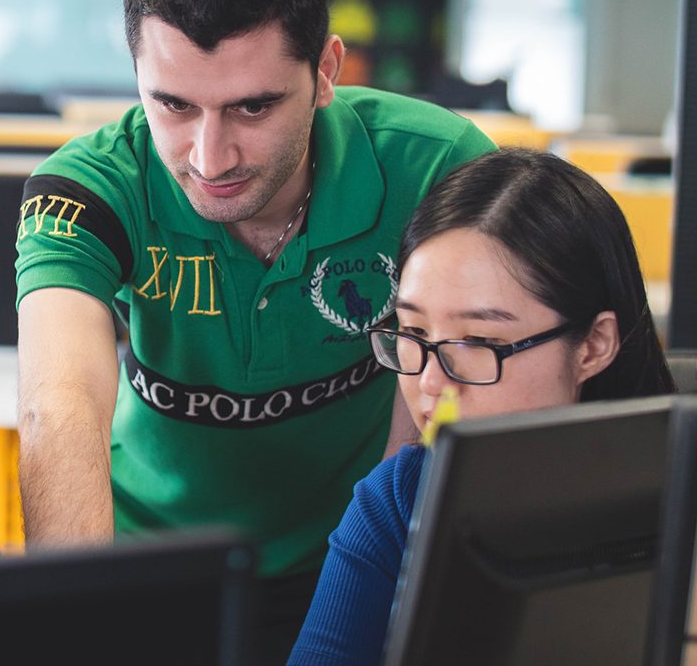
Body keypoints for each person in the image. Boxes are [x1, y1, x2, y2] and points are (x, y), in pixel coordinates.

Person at [12, 0, 496, 660]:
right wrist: (78, 624)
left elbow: (433, 411)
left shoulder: (440, 168)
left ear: (327, 70)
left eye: (251, 108)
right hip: (142, 567)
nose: (209, 158)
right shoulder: (85, 188)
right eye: (172, 104)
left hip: (348, 557)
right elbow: (56, 408)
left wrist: (378, 598)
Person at [286, 147, 677, 666]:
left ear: (594, 345)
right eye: (414, 331)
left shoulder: (674, 492)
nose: (429, 382)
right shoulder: (399, 497)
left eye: (479, 342)